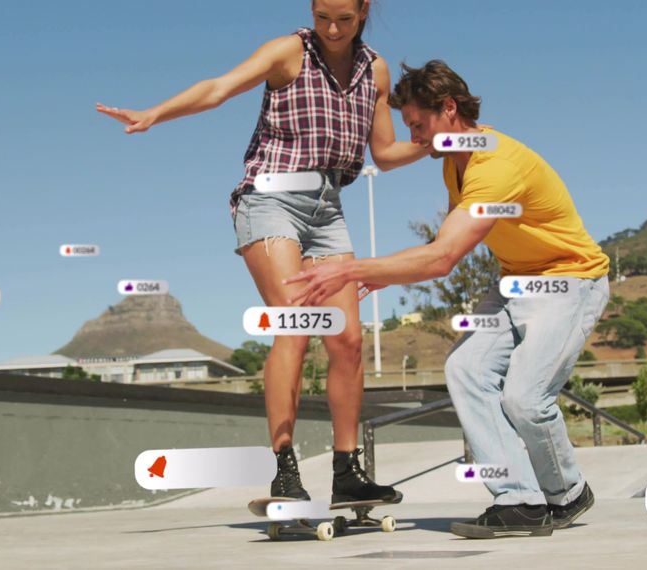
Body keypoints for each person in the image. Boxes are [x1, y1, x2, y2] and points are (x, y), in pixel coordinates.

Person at [96, 0, 426, 504]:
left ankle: (345, 471)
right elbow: (219, 88)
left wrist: (439, 142)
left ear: (363, 11)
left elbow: (384, 151)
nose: (332, 29)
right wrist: (155, 113)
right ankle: (285, 469)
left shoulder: (374, 70)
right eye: (322, 18)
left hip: (329, 209)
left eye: (343, 18)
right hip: (270, 200)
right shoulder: (288, 53)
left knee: (349, 341)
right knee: (292, 329)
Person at [285, 60, 611, 537]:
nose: (414, 137)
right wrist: (387, 274)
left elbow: (441, 258)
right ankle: (518, 498)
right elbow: (442, 246)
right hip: (515, 283)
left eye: (418, 124)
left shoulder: (496, 165)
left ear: (449, 109)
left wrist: (353, 268)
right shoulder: (457, 166)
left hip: (569, 282)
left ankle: (566, 492)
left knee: (524, 397)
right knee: (466, 370)